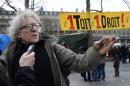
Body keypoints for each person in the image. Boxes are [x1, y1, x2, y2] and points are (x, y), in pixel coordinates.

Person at [6, 10, 117, 86]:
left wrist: (97, 51)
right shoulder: (9, 55)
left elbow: (79, 63)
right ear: (18, 33)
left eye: (37, 25)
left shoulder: (52, 47)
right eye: (29, 26)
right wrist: (25, 68)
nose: (35, 29)